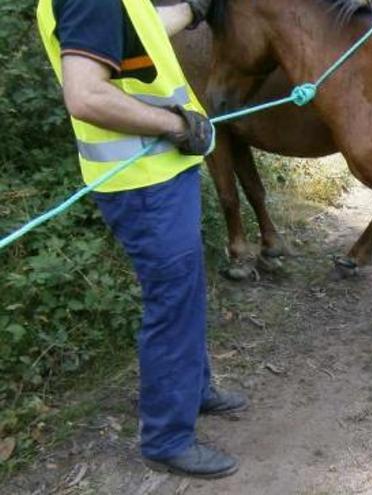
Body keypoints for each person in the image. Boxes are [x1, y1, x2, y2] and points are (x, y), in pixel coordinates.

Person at [36, 0, 247, 478]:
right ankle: (166, 438)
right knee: (172, 303)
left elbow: (140, 31)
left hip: (159, 175)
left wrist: (192, 11)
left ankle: (193, 390)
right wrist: (177, 124)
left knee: (187, 291)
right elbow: (86, 95)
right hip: (143, 183)